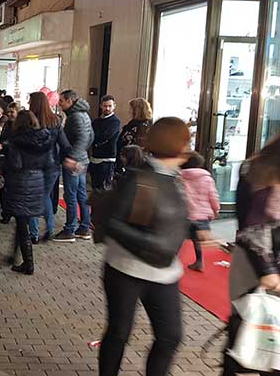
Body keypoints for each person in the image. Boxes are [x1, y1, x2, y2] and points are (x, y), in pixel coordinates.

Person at [97, 117, 192, 376]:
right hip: (128, 269)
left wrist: (193, 230)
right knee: (119, 332)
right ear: (178, 144)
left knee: (170, 335)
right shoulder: (144, 179)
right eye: (186, 139)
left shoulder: (175, 179)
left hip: (163, 272)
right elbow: (114, 223)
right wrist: (155, 246)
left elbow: (166, 221)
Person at [222, 123, 280, 376]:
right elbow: (251, 227)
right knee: (247, 331)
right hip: (253, 264)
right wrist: (268, 270)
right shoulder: (259, 169)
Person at [2, 111, 53, 274]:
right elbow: (49, 162)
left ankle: (28, 263)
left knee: (22, 223)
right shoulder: (44, 139)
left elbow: (16, 164)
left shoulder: (17, 141)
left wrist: (3, 159)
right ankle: (14, 255)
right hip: (37, 180)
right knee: (21, 221)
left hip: (21, 183)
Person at [27, 92, 71, 242]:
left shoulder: (30, 120)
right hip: (52, 165)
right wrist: (70, 159)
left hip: (33, 165)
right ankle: (50, 228)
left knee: (33, 197)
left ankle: (33, 233)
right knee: (45, 197)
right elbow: (64, 144)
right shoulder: (56, 120)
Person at [54, 90, 94, 242]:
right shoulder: (84, 114)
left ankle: (69, 229)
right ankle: (84, 227)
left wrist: (72, 157)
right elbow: (90, 137)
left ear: (70, 101)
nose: (60, 104)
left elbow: (83, 138)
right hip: (82, 159)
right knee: (81, 195)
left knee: (70, 195)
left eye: (62, 101)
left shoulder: (75, 117)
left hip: (75, 162)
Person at [179, 151, 219, 272]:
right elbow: (213, 196)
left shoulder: (179, 177)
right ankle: (199, 262)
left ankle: (172, 261)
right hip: (202, 216)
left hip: (184, 215)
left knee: (178, 238)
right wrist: (216, 210)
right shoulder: (207, 178)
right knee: (198, 241)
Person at [90, 95, 121, 191]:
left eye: (110, 106)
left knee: (104, 189)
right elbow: (91, 136)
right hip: (95, 157)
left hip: (107, 158)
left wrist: (95, 140)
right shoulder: (96, 121)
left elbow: (104, 137)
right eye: (105, 106)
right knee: (95, 187)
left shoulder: (115, 121)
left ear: (114, 106)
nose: (107, 108)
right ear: (101, 106)